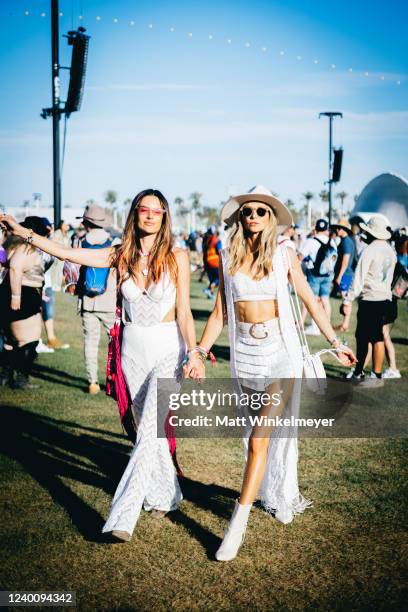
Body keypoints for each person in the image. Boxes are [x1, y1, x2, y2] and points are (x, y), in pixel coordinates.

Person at [0, 189, 203, 540]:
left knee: (152, 426)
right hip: (132, 351)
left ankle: (122, 516)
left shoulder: (177, 257)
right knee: (146, 431)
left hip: (169, 347)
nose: (151, 215)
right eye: (144, 209)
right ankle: (167, 495)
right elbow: (67, 252)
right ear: (135, 214)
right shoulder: (118, 255)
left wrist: (195, 351)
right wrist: (25, 232)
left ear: (165, 217)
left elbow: (184, 311)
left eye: (158, 210)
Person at [185, 185, 356, 562]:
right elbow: (219, 315)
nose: (254, 217)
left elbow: (309, 299)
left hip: (282, 355)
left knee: (258, 441)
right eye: (249, 211)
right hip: (245, 356)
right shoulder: (229, 257)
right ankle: (277, 493)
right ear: (240, 218)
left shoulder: (284, 254)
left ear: (272, 218)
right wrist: (199, 351)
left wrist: (335, 340)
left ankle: (236, 527)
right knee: (257, 435)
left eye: (262, 211)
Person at [341, 216, 397, 387]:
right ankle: (369, 373)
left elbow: (358, 278)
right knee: (374, 336)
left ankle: (370, 375)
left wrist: (348, 300)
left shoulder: (370, 250)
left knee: (367, 337)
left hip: (370, 298)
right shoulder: (390, 251)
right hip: (385, 298)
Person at [0, 216, 49, 388]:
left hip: (13, 294)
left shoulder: (11, 245)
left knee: (10, 340)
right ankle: (21, 379)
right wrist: (16, 296)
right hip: (23, 297)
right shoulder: (26, 248)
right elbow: (15, 267)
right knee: (29, 339)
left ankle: (5, 376)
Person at [75, 204, 117, 394]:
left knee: (90, 343)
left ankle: (93, 382)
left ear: (86, 223)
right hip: (109, 300)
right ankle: (114, 379)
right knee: (116, 343)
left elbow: (73, 271)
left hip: (87, 301)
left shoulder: (79, 242)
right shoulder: (115, 242)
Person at [299, 219, 338, 335]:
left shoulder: (310, 241)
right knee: (325, 300)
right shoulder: (332, 242)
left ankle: (307, 324)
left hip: (314, 275)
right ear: (326, 229)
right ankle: (327, 325)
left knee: (310, 299)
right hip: (328, 275)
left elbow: (300, 257)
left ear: (315, 229)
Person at [331, 218, 356, 331]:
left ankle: (345, 324)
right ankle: (344, 324)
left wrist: (339, 275)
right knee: (345, 299)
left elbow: (345, 260)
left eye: (339, 228)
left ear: (344, 229)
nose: (336, 229)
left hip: (346, 274)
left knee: (346, 299)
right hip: (346, 274)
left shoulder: (346, 242)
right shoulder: (346, 240)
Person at [203, 225, 222, 299]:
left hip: (207, 262)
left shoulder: (207, 240)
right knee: (220, 278)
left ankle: (210, 294)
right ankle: (208, 289)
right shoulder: (217, 240)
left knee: (212, 279)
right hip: (215, 262)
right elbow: (219, 251)